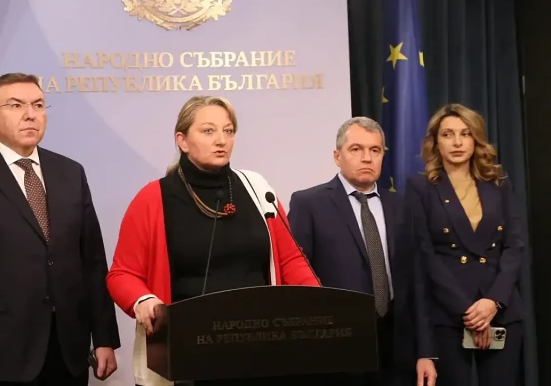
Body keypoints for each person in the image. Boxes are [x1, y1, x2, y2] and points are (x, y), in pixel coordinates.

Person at [106, 95, 320, 386]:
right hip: (186, 354)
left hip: (261, 346)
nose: (221, 140)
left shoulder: (258, 189)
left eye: (228, 131)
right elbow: (122, 274)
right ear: (182, 140)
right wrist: (143, 300)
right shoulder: (153, 198)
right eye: (208, 131)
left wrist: (317, 302)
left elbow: (290, 258)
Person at [0, 73, 121, 385]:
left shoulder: (70, 172)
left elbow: (92, 262)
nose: (30, 114)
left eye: (38, 105)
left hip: (66, 353)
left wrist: (105, 337)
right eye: (16, 105)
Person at [288, 117, 414, 386]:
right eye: (356, 149)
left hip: (396, 345)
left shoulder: (401, 205)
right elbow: (298, 280)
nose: (367, 158)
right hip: (336, 344)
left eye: (375, 150)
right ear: (337, 156)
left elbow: (415, 280)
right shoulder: (309, 204)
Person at [408, 104, 524, 386]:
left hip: (500, 310)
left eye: (465, 133)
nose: (457, 142)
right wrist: (470, 312)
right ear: (436, 142)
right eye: (448, 134)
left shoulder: (498, 182)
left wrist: (493, 302)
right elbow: (425, 256)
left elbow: (515, 245)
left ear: (476, 139)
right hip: (449, 314)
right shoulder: (421, 187)